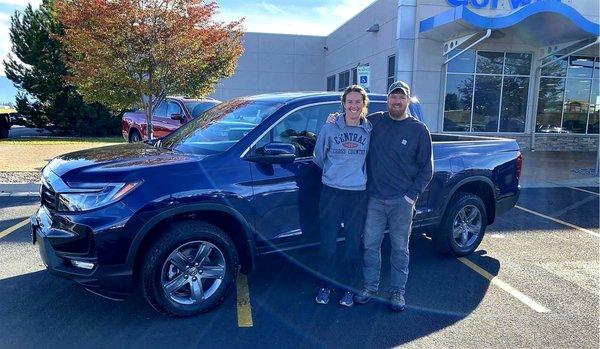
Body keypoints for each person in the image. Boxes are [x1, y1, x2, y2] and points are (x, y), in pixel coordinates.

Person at [328, 81, 433, 311]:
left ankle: (397, 292)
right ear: (387, 100)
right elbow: (350, 121)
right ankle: (370, 287)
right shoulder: (374, 122)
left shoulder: (418, 130)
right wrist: (334, 118)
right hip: (374, 199)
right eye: (393, 97)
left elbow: (427, 168)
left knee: (399, 248)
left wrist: (410, 196)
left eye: (401, 97)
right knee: (371, 246)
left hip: (402, 203)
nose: (397, 101)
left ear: (407, 100)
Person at [313, 85, 372, 307]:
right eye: (350, 102)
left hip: (357, 193)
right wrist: (333, 174)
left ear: (363, 105)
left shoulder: (369, 130)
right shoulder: (329, 128)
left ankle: (349, 289)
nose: (354, 106)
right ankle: (325, 286)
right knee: (328, 242)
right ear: (343, 104)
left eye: (358, 102)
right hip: (331, 191)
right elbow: (319, 157)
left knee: (352, 244)